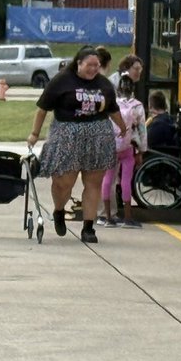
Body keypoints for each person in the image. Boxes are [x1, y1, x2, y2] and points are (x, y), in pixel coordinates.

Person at [28, 46, 128, 244]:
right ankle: (59, 210)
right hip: (67, 135)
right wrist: (34, 134)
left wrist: (122, 127)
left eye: (96, 65)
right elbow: (42, 109)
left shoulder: (104, 84)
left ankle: (88, 227)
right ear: (78, 64)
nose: (93, 69)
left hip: (98, 137)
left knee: (93, 183)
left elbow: (112, 109)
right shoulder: (62, 80)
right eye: (89, 65)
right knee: (63, 182)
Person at [99, 74, 147, 228]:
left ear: (118, 89)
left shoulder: (112, 104)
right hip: (127, 148)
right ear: (133, 90)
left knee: (107, 179)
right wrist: (141, 150)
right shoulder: (137, 106)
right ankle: (127, 217)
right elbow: (142, 130)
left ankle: (107, 217)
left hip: (111, 147)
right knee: (126, 180)